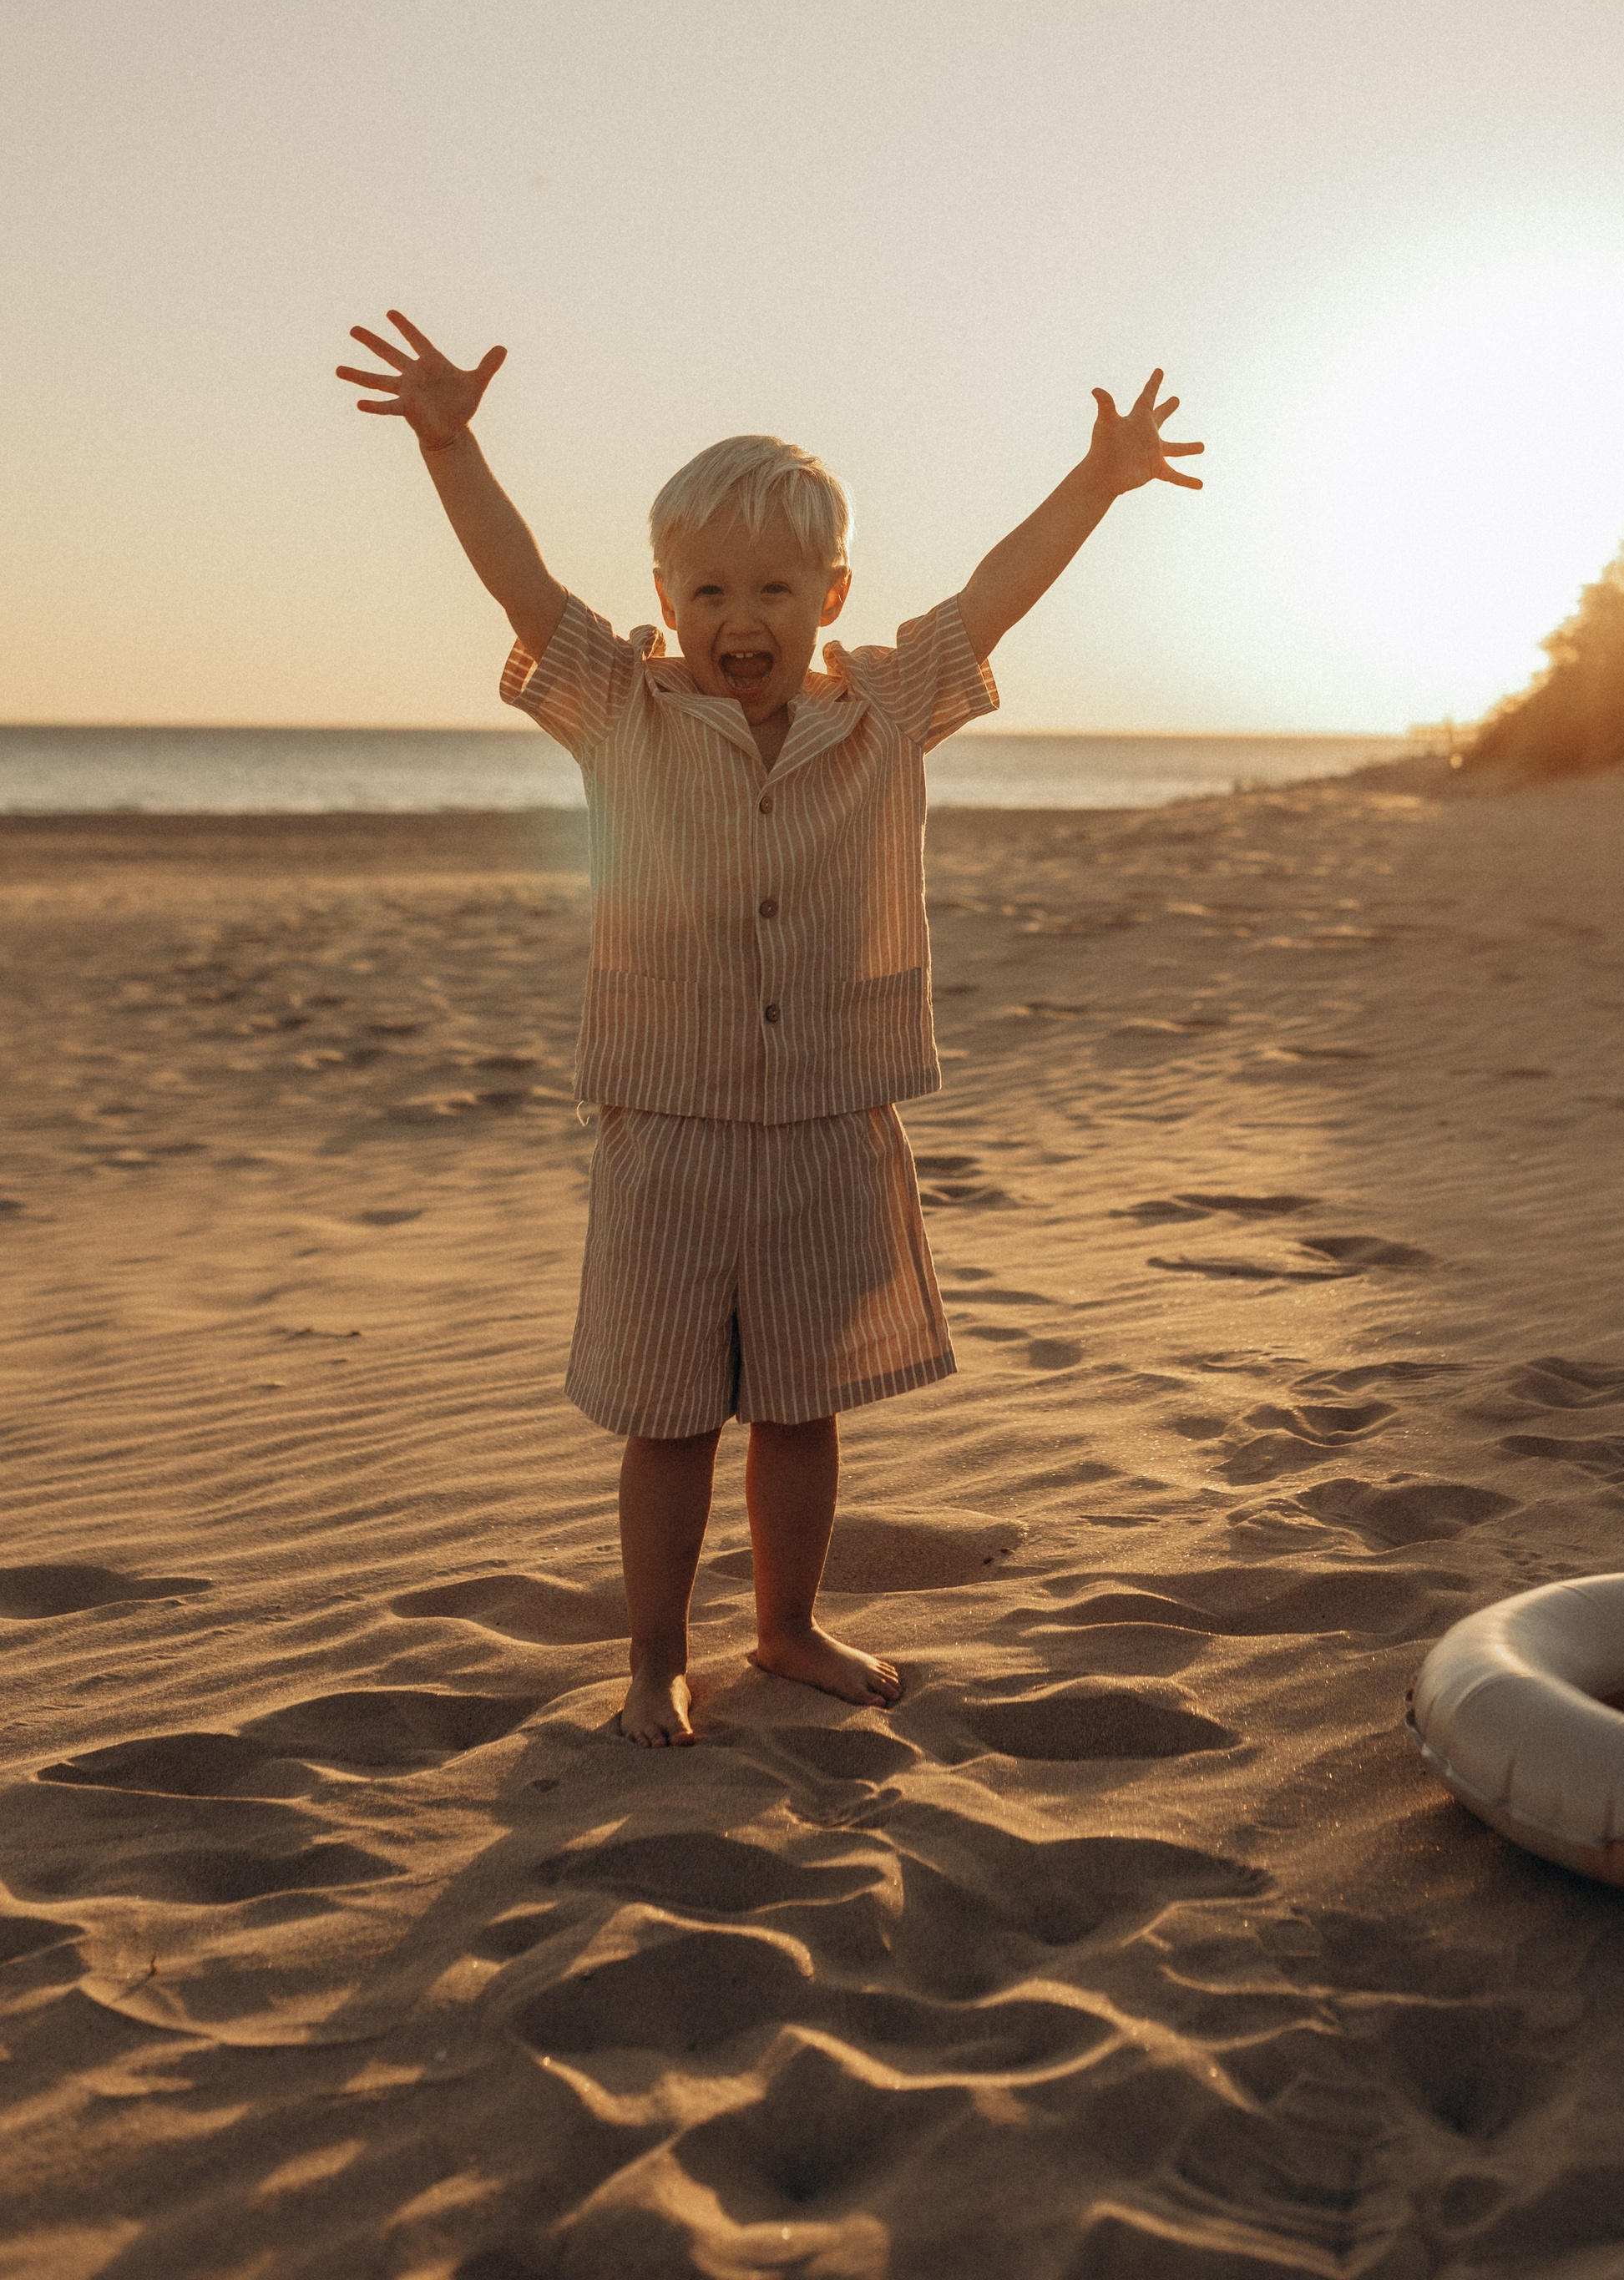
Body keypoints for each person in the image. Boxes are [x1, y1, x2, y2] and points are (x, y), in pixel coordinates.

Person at [338, 311, 1202, 1746]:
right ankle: (655, 1657)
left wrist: (1097, 485)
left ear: (832, 592)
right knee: (667, 1415)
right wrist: (452, 442)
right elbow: (523, 589)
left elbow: (994, 595)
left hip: (828, 1119)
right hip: (667, 1125)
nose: (744, 619)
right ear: (667, 597)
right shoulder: (617, 705)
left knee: (804, 1407)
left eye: (779, 590)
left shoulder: (885, 709)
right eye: (711, 590)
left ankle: (787, 1627)